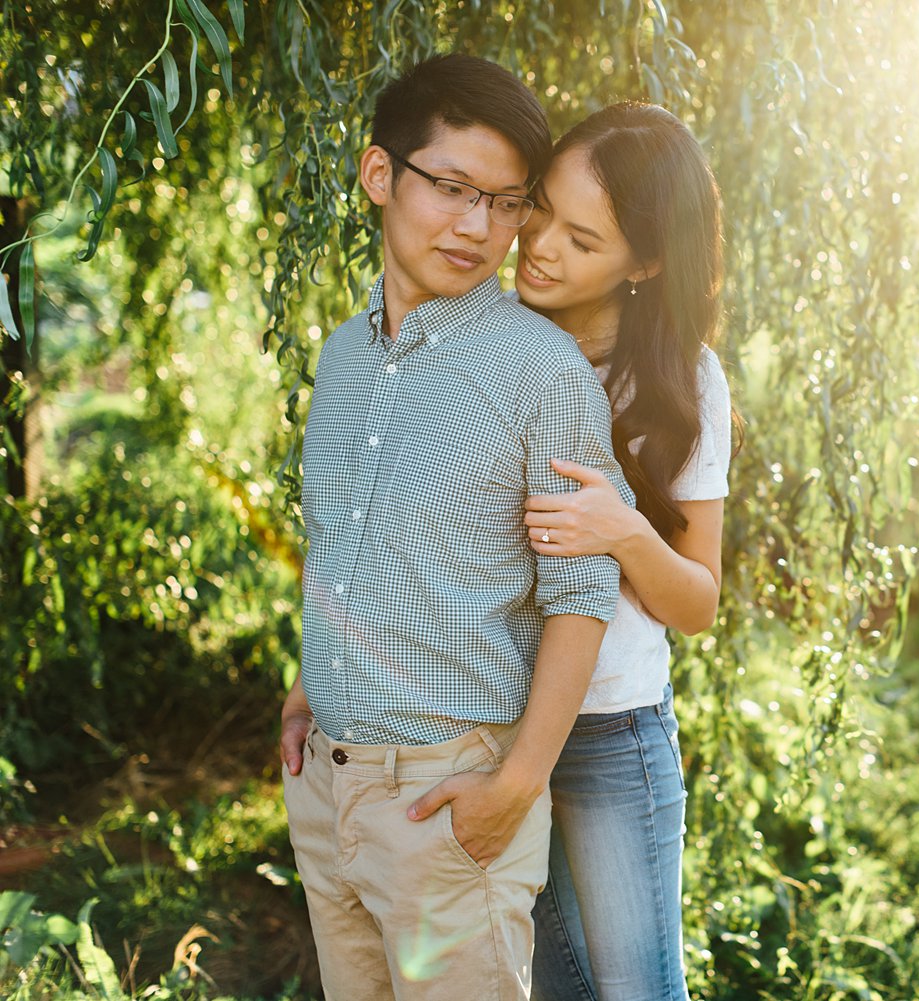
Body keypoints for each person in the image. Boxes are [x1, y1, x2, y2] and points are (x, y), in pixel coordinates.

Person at [277, 55, 632, 1001]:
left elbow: (582, 593)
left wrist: (517, 784)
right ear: (380, 175)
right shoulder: (343, 356)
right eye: (454, 189)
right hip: (326, 789)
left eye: (507, 203)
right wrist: (311, 680)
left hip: (448, 799)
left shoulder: (541, 372)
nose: (479, 228)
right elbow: (341, 534)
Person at [512, 103, 732, 1001]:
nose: (540, 247)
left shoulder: (681, 383)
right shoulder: (485, 345)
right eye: (539, 210)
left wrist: (625, 530)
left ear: (643, 263)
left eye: (581, 238)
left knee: (635, 991)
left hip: (609, 733)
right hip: (493, 725)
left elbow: (698, 602)